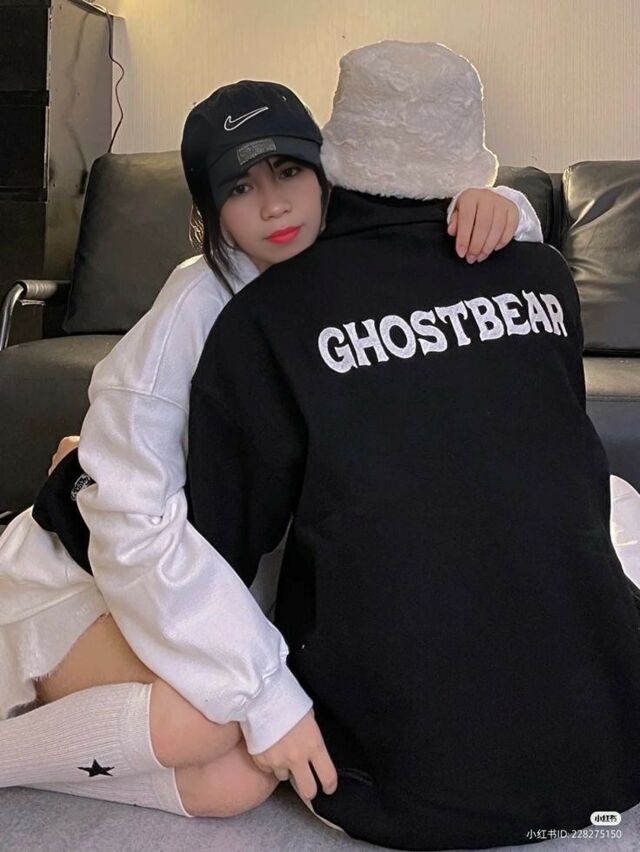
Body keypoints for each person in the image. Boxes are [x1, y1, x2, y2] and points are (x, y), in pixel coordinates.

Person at [0, 76, 540, 818]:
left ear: (325, 173)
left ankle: (72, 734)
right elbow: (127, 518)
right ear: (209, 210)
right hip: (95, 577)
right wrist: (261, 690)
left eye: (288, 172)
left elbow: (462, 253)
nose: (275, 206)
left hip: (213, 578)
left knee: (238, 783)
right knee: (220, 715)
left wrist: (504, 207)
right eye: (240, 187)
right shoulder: (196, 306)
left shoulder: (346, 254)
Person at [185, 42, 640, 849]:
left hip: (405, 778)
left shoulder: (267, 315)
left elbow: (218, 545)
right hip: (612, 745)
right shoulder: (545, 276)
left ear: (334, 151)